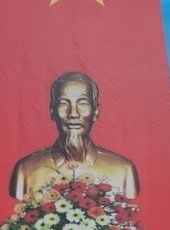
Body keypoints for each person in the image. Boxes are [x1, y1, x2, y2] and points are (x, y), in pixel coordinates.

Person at [9, 71, 139, 200]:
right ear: (52, 111)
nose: (73, 114)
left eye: (83, 104)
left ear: (95, 112)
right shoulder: (25, 169)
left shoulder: (124, 170)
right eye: (64, 103)